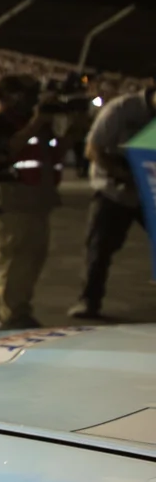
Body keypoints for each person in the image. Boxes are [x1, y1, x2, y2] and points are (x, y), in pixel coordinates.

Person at [0, 75, 60, 329]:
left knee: (29, 259)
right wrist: (36, 123)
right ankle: (13, 314)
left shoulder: (29, 122)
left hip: (34, 199)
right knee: (17, 260)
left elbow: (51, 153)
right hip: (11, 199)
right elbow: (4, 152)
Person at [70, 84, 154, 319]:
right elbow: (93, 149)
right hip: (114, 189)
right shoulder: (122, 109)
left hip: (149, 189)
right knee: (99, 248)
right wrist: (123, 174)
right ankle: (89, 300)